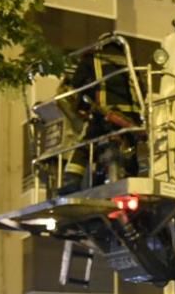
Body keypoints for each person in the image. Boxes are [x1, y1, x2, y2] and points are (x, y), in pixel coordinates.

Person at [57, 39, 143, 194]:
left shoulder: (93, 59)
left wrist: (82, 108)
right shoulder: (131, 62)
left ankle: (72, 182)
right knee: (132, 152)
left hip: (106, 116)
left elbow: (75, 88)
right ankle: (132, 178)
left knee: (83, 146)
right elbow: (141, 91)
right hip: (131, 119)